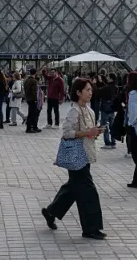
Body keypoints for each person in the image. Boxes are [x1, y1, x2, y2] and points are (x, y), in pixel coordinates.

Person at [41, 78, 106, 240]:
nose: (90, 93)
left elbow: (89, 133)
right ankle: (91, 229)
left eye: (91, 90)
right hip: (76, 157)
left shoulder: (90, 111)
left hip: (86, 155)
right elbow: (67, 133)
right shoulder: (74, 111)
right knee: (88, 193)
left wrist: (96, 132)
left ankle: (51, 212)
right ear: (78, 92)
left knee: (73, 189)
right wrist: (87, 133)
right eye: (87, 90)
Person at [24, 69, 41, 133]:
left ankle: (32, 127)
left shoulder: (27, 80)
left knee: (30, 113)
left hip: (28, 98)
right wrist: (35, 99)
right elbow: (34, 91)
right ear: (35, 73)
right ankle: (30, 128)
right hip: (32, 99)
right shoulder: (34, 81)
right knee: (32, 114)